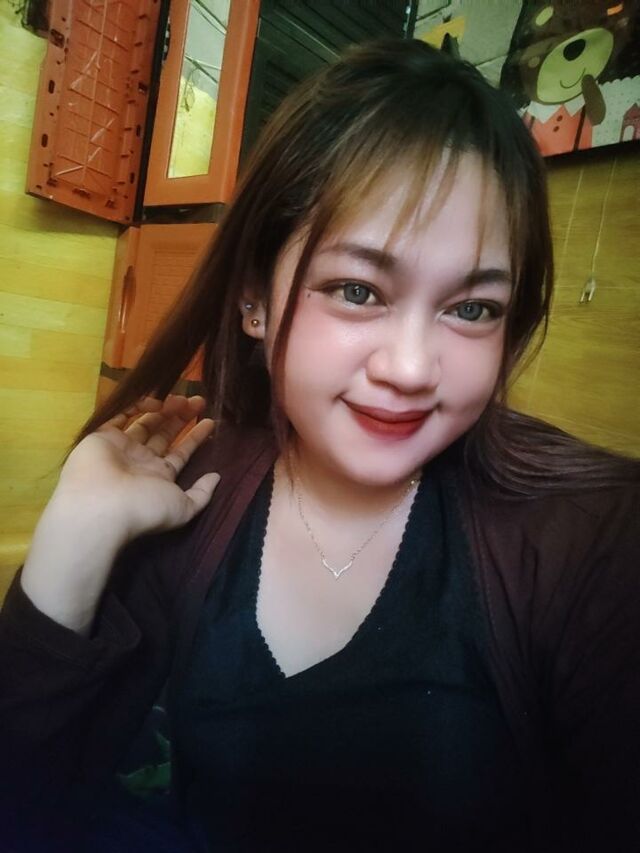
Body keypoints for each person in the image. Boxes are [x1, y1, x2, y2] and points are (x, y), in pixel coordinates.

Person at [1, 38, 639, 853]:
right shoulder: (194, 490)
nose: (411, 368)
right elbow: (25, 796)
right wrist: (73, 536)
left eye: (472, 308)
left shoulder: (597, 544)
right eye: (357, 290)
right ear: (254, 301)